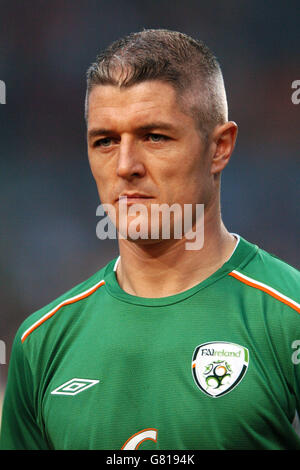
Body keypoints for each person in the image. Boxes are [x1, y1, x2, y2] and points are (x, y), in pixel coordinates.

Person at [1, 29, 300, 451]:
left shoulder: (289, 319)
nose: (125, 166)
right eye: (104, 141)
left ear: (219, 148)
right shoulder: (41, 343)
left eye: (154, 137)